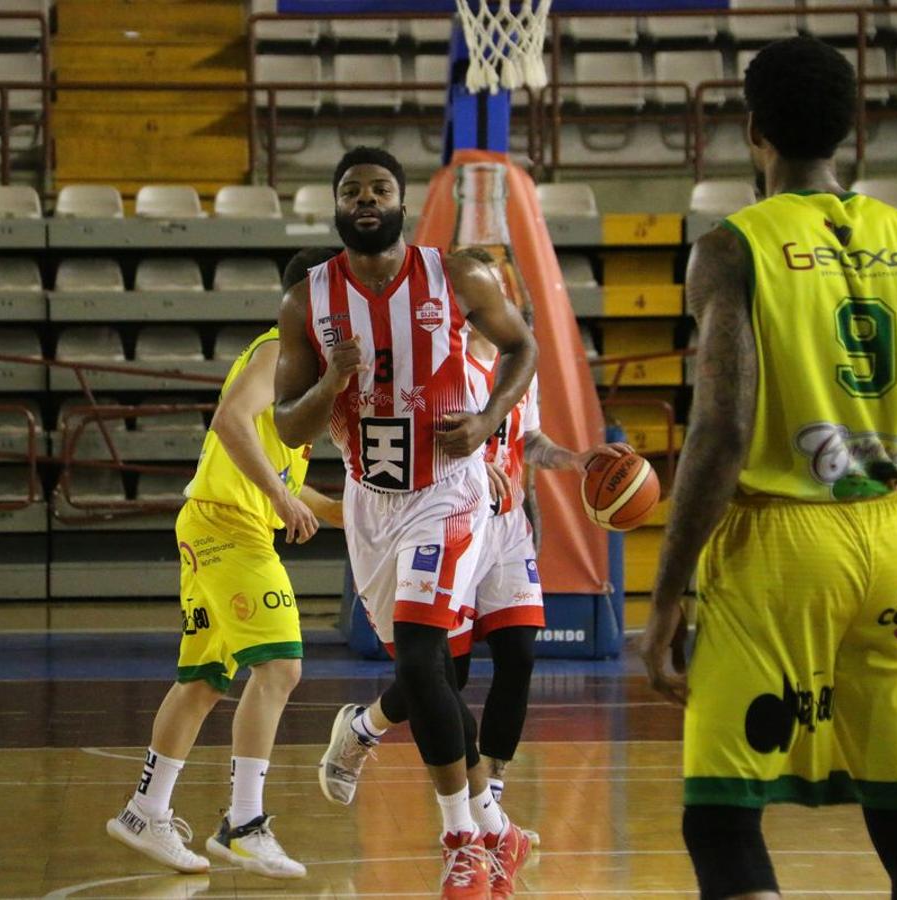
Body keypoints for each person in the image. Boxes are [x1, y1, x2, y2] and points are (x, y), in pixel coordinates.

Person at [639, 36, 897, 899]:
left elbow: (722, 431)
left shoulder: (732, 248)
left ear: (752, 131)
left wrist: (664, 599)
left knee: (722, 817)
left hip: (776, 542)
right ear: (853, 127)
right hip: (887, 541)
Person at [274, 147, 538, 898]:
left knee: (427, 659)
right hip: (370, 500)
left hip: (448, 490)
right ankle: (492, 824)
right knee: (423, 676)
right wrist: (334, 377)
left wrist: (488, 421)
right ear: (335, 205)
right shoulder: (307, 302)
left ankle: (462, 839)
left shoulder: (458, 274)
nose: (365, 197)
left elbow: (523, 347)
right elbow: (291, 429)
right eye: (351, 187)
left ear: (401, 200)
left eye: (379, 187)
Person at [316, 247, 628, 863]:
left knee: (519, 653)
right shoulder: (432, 355)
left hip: (505, 527)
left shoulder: (517, 367)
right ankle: (365, 727)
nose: (495, 293)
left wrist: (576, 460)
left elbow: (528, 439)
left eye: (504, 284)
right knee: (440, 673)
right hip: (449, 511)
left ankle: (493, 801)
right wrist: (476, 461)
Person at [106, 247, 343, 879]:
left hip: (218, 523)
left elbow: (299, 486)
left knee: (205, 680)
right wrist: (280, 496)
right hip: (227, 527)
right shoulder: (278, 351)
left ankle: (145, 810)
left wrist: (365, 512)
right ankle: (243, 822)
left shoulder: (302, 376)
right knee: (282, 667)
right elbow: (230, 421)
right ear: (315, 301)